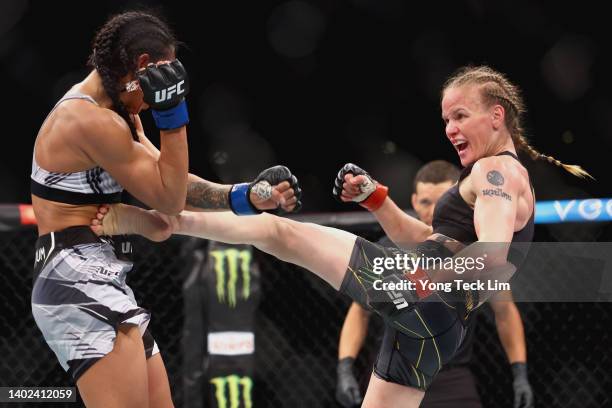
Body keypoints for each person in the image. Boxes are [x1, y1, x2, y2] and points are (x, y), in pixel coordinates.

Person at [92, 65, 589, 407]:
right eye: (445, 120)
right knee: (281, 235)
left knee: (279, 232)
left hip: (427, 293)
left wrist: (418, 281)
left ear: (497, 115)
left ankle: (166, 221)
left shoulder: (497, 174)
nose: (450, 128)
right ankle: (167, 222)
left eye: (461, 116)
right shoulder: (495, 177)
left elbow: (493, 257)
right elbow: (434, 239)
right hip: (440, 331)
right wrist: (376, 200)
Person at [30, 10, 300, 408]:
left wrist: (244, 197)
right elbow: (168, 198)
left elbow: (172, 183)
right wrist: (173, 117)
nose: (159, 92)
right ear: (144, 67)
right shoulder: (87, 120)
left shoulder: (115, 116)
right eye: (165, 75)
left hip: (97, 274)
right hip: (75, 278)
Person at [335, 160, 534, 408]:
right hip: (397, 371)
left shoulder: (475, 254)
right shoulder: (388, 247)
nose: (431, 211)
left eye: (439, 202)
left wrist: (520, 372)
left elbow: (505, 312)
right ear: (415, 201)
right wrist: (345, 366)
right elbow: (359, 312)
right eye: (426, 202)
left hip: (451, 376)